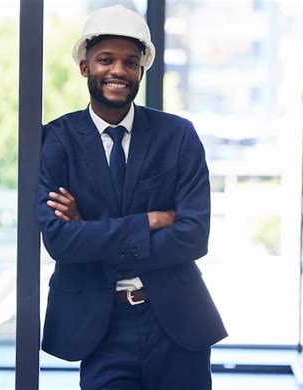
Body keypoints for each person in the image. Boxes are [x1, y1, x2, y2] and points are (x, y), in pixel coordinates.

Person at [38, 5, 227, 389]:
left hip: (176, 322)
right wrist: (150, 221)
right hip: (99, 326)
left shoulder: (178, 135)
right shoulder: (55, 140)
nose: (118, 71)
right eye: (106, 59)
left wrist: (91, 232)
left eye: (130, 62)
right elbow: (60, 242)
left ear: (142, 70)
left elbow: (193, 236)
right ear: (85, 66)